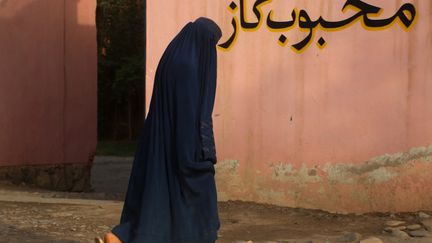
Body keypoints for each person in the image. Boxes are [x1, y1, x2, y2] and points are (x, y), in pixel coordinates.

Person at [95, 17, 222, 243]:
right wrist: (196, 157)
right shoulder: (190, 68)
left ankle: (118, 237)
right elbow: (189, 114)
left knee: (155, 196)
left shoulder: (173, 58)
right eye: (211, 44)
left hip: (158, 141)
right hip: (181, 143)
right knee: (199, 194)